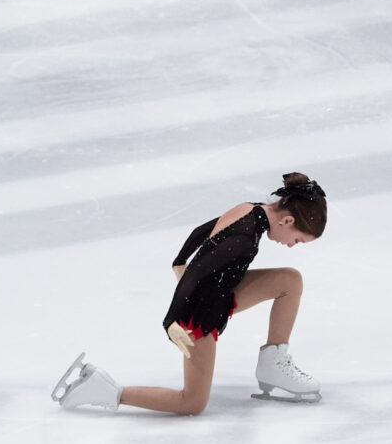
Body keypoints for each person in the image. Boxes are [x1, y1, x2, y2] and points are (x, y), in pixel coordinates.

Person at [51, 172, 327, 414]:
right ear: (288, 221)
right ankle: (103, 389)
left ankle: (272, 364)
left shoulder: (251, 209)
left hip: (220, 292)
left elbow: (201, 231)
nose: (292, 246)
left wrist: (179, 260)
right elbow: (197, 276)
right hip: (198, 312)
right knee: (192, 403)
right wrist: (171, 321)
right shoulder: (243, 241)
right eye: (298, 240)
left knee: (289, 281)